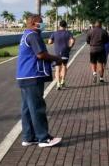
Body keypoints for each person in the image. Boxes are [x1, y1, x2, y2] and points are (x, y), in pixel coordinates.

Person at [16, 14, 62, 147]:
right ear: (34, 23)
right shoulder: (33, 35)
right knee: (37, 108)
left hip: (24, 76)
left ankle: (28, 137)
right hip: (32, 76)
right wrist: (56, 58)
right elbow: (41, 54)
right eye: (41, 22)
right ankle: (43, 138)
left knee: (27, 109)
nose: (43, 24)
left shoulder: (26, 34)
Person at [48, 20, 75, 90]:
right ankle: (63, 80)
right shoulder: (68, 33)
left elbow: (49, 42)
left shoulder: (55, 33)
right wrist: (70, 47)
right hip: (65, 52)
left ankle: (58, 83)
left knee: (57, 69)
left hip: (57, 54)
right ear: (66, 26)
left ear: (59, 26)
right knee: (64, 66)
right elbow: (72, 41)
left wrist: (54, 41)